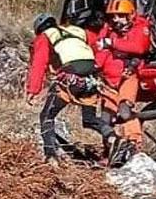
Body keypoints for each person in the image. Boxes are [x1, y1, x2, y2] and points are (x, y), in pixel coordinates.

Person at [25, 13, 114, 162]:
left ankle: (51, 156)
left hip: (70, 77)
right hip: (91, 78)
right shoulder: (79, 31)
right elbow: (98, 50)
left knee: (46, 116)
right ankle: (112, 136)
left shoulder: (44, 37)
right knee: (89, 119)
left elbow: (39, 63)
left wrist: (33, 90)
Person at [92, 0, 152, 163]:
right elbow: (101, 52)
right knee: (105, 118)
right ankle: (110, 150)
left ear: (129, 15)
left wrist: (112, 43)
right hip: (109, 80)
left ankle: (134, 145)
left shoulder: (140, 27)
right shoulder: (109, 30)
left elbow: (139, 48)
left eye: (120, 16)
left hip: (128, 76)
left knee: (125, 110)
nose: (116, 20)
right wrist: (94, 67)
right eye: (113, 16)